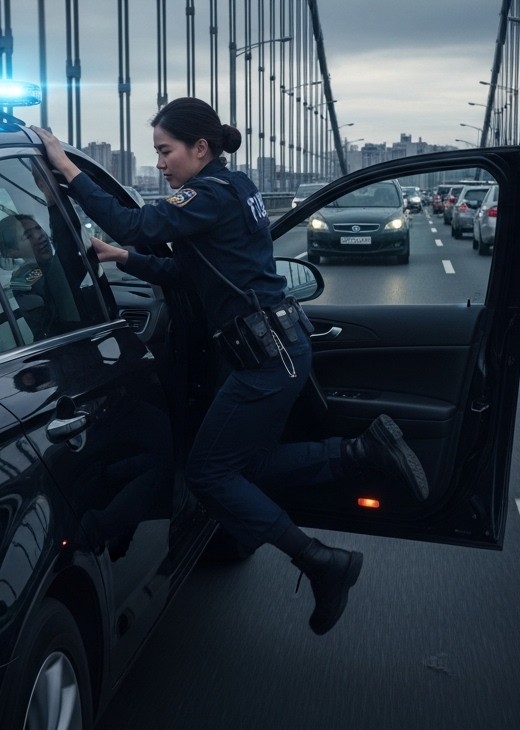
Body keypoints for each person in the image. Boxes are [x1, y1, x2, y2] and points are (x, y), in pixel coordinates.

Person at [32, 98, 429, 636]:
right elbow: (191, 272)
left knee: (207, 474)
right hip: (277, 346)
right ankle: (361, 453)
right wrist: (124, 258)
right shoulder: (235, 186)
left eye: (165, 151)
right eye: (156, 154)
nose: (160, 164)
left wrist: (64, 164)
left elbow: (132, 220)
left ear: (200, 148)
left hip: (264, 355)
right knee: (244, 467)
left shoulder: (209, 194)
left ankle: (321, 561)